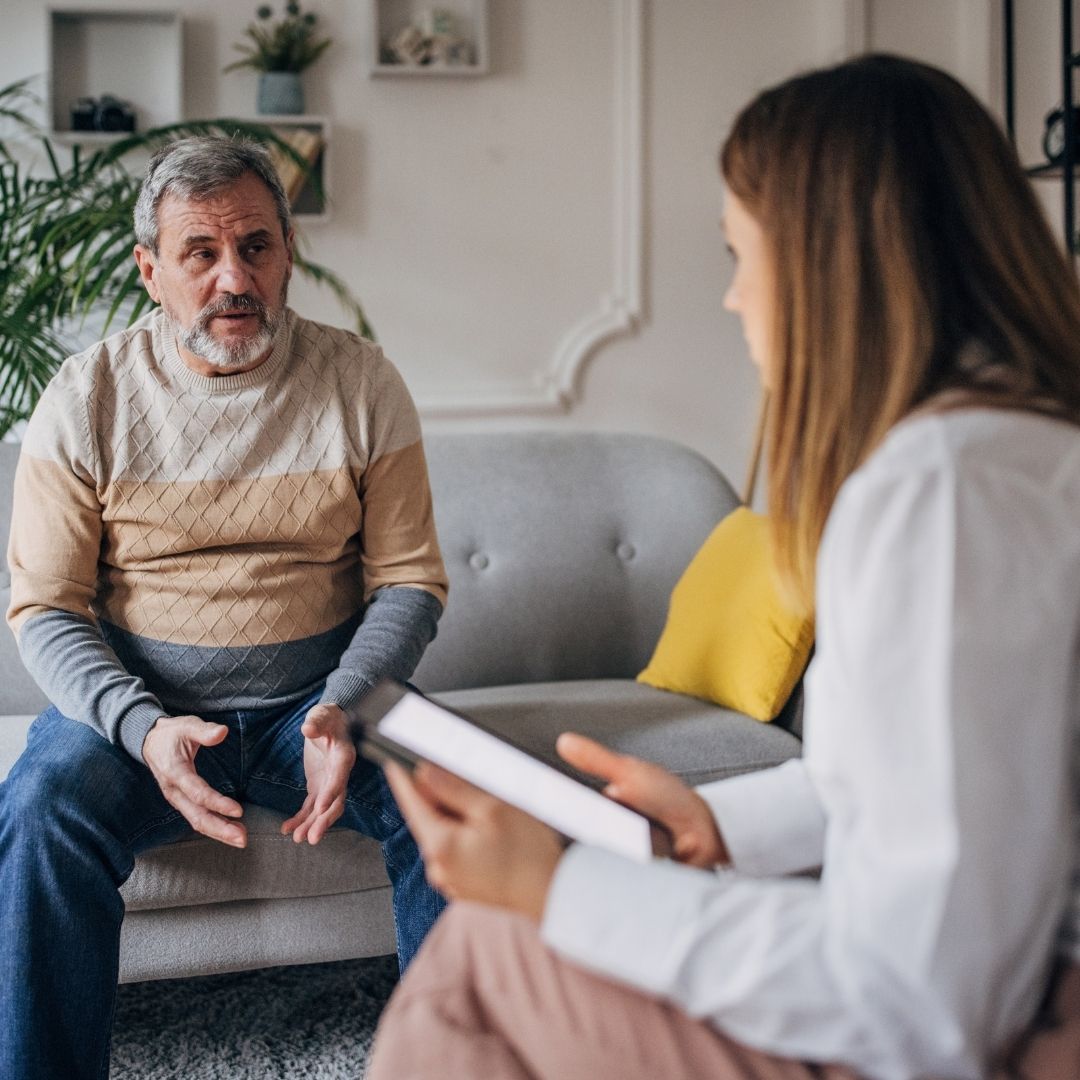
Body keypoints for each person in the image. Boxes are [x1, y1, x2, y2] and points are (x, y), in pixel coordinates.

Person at [366, 54, 1080, 1080]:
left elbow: (920, 1001)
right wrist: (717, 821)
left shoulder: (943, 493)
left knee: (489, 945)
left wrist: (561, 889)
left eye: (742, 255)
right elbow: (954, 786)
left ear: (835, 268)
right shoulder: (1024, 448)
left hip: (1026, 1028)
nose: (738, 301)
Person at [0, 136, 449, 1080]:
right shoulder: (85, 396)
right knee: (39, 808)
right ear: (151, 269)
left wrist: (349, 702)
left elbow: (409, 579)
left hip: (319, 706)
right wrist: (139, 726)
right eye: (200, 253)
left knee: (451, 787)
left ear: (289, 252)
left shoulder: (362, 382)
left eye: (256, 246)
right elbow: (45, 607)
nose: (233, 277)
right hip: (141, 712)